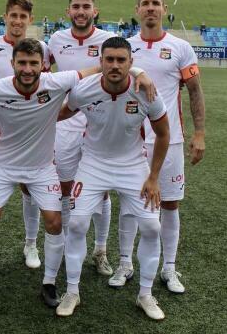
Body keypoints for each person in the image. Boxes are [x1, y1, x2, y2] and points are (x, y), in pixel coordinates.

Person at [0, 38, 155, 308]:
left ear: (43, 66)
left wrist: (138, 71)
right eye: (21, 63)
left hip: (42, 167)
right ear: (12, 64)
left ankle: (49, 283)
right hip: (3, 164)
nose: (27, 69)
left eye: (33, 63)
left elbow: (98, 69)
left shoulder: (57, 82)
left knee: (55, 222)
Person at [55, 36, 170, 320]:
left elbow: (164, 134)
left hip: (133, 166)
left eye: (122, 60)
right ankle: (72, 291)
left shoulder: (147, 92)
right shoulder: (84, 90)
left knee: (152, 228)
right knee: (78, 223)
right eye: (110, 60)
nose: (115, 65)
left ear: (131, 63)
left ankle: (145, 295)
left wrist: (154, 177)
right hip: (93, 163)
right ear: (101, 62)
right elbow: (59, 114)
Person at [112, 0, 205, 295]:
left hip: (171, 139)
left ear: (164, 9)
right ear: (137, 9)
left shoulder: (181, 47)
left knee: (170, 203)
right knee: (129, 203)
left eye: (156, 3)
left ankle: (169, 267)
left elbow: (194, 91)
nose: (150, 8)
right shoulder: (126, 47)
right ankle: (125, 263)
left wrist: (200, 134)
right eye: (145, 3)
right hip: (132, 140)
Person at [0, 0, 51, 270]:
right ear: (5, 17)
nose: (17, 21)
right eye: (13, 15)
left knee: (31, 187)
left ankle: (31, 243)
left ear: (30, 19)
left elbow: (48, 84)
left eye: (23, 16)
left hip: (33, 127)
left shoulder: (42, 47)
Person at [48, 0, 116, 276]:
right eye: (75, 6)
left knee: (100, 190)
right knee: (64, 186)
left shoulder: (106, 40)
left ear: (95, 10)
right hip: (65, 121)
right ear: (68, 11)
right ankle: (64, 245)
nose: (80, 11)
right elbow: (45, 74)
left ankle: (100, 250)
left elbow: (122, 68)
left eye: (86, 6)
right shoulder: (56, 40)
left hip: (97, 121)